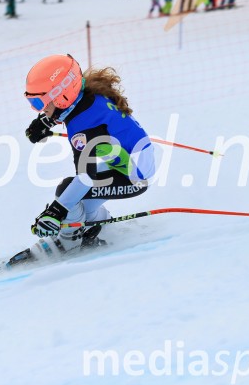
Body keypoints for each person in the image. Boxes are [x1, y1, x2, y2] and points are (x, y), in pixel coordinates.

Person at [15, 55, 156, 264]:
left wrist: (55, 211)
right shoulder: (86, 97)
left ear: (61, 95)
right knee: (78, 203)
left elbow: (85, 178)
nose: (38, 109)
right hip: (125, 162)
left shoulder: (83, 128)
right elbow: (71, 110)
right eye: (33, 102)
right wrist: (47, 121)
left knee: (67, 190)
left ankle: (69, 243)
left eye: (38, 102)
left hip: (135, 176)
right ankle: (97, 225)